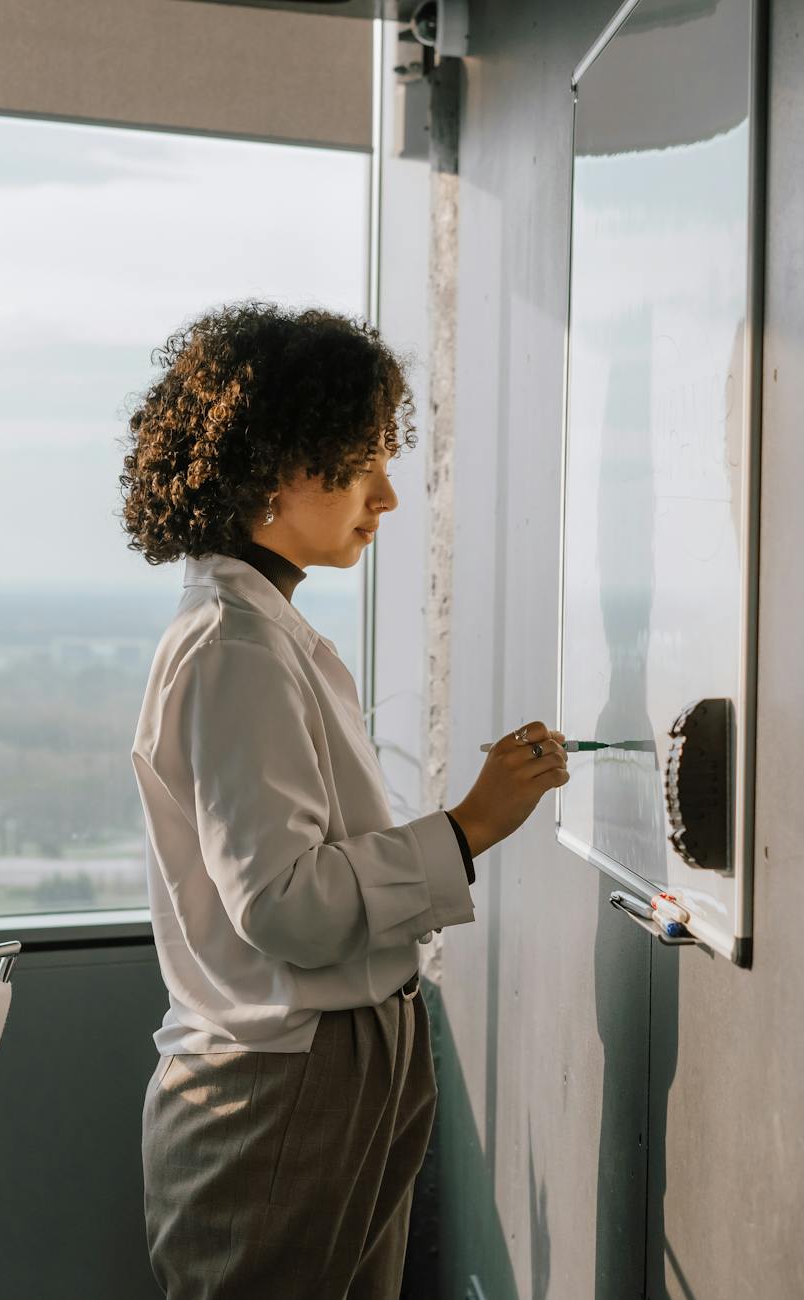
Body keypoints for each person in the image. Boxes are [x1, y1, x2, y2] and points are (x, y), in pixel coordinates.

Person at [120, 303, 567, 1299]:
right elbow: (284, 905)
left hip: (332, 1062)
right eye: (360, 459)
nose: (388, 493)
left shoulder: (258, 631)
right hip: (285, 1083)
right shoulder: (234, 645)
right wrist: (469, 826)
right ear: (271, 474)